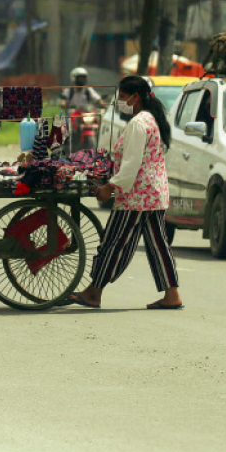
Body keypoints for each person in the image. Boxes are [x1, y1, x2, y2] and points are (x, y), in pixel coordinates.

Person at [68, 75, 183, 310]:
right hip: (154, 193)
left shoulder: (139, 124)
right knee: (159, 246)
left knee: (113, 243)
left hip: (137, 196)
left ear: (135, 97)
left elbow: (131, 164)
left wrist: (110, 187)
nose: (119, 101)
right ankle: (172, 295)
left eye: (122, 96)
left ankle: (94, 292)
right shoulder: (152, 119)